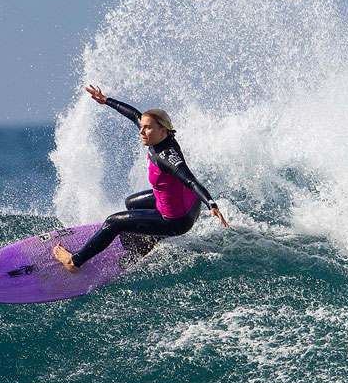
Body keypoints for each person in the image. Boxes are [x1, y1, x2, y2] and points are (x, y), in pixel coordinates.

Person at [52, 85, 228, 272]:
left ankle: (75, 262)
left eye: (147, 128)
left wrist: (211, 204)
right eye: (142, 127)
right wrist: (105, 100)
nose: (141, 131)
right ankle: (146, 244)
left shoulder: (167, 157)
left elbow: (191, 181)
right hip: (185, 203)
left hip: (177, 220)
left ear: (163, 130)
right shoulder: (158, 137)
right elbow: (134, 114)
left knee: (113, 222)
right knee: (131, 203)